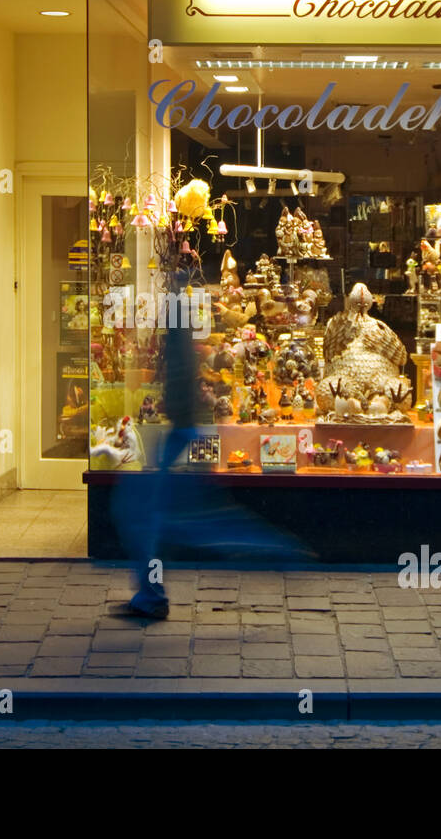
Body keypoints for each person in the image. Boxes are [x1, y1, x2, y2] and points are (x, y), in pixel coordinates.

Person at [114, 262, 313, 620]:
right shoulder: (180, 335)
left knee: (173, 521)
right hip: (180, 432)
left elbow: (178, 378)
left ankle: (278, 549)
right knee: (171, 520)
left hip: (180, 434)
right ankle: (151, 593)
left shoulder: (177, 333)